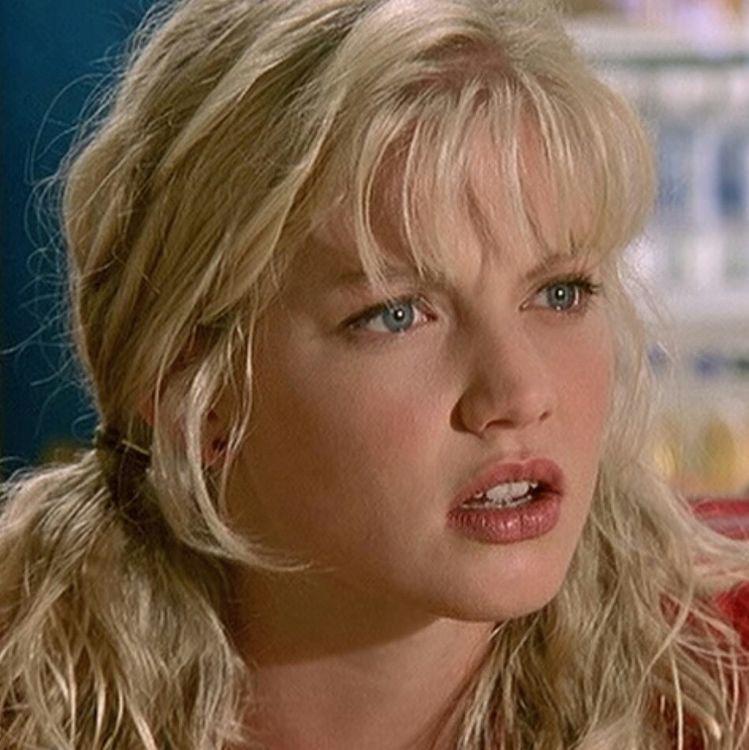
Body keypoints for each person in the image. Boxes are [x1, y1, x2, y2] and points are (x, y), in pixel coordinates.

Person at [1, 0, 748, 747]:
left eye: (558, 293)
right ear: (190, 387)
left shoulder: (721, 677)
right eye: (397, 314)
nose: (519, 394)